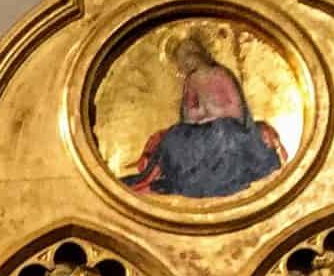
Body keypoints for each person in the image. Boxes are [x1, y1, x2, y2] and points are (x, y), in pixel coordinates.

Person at [122, 29, 287, 199]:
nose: (183, 65)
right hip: (202, 129)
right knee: (174, 136)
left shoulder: (220, 74)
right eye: (181, 61)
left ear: (198, 54)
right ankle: (178, 176)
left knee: (222, 133)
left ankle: (214, 176)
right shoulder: (190, 81)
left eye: (186, 58)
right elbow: (187, 113)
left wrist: (212, 113)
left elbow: (235, 107)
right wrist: (197, 116)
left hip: (228, 126)